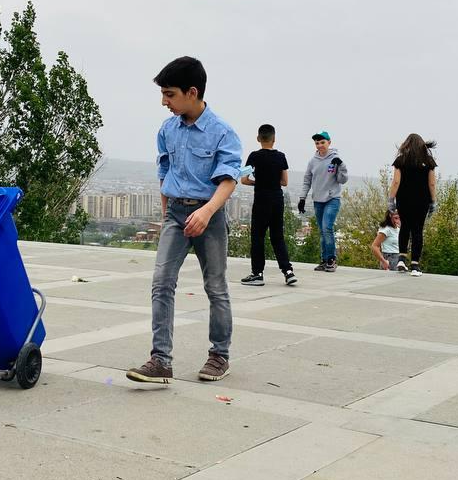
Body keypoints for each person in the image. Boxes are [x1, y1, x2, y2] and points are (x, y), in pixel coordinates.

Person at [128, 57, 242, 384]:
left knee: (216, 286)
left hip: (210, 215)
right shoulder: (167, 130)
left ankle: (219, 355)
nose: (164, 101)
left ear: (192, 92)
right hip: (176, 215)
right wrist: (168, 213)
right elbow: (165, 172)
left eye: (170, 94)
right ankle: (160, 360)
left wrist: (206, 212)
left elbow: (228, 180)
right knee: (161, 283)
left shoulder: (223, 133)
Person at [240, 124, 297, 287]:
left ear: (258, 139)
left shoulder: (253, 156)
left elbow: (243, 179)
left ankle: (257, 274)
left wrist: (257, 182)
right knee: (277, 237)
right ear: (274, 139)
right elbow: (284, 182)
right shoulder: (281, 157)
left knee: (258, 236)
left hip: (262, 199)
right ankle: (288, 272)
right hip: (277, 199)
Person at [297, 131, 348, 272]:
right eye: (317, 143)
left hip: (332, 199)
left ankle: (331, 259)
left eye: (322, 142)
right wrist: (302, 198)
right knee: (322, 231)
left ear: (329, 142)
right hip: (318, 200)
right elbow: (307, 180)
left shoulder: (335, 158)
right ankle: (324, 260)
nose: (320, 145)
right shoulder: (313, 161)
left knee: (327, 228)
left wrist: (341, 166)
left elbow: (342, 180)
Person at [388, 133, 437, 276]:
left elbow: (396, 182)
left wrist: (391, 200)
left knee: (405, 228)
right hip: (422, 201)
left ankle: (401, 260)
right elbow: (432, 184)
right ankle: (415, 266)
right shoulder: (428, 161)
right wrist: (433, 201)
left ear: (406, 145)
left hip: (404, 200)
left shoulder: (400, 160)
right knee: (417, 231)